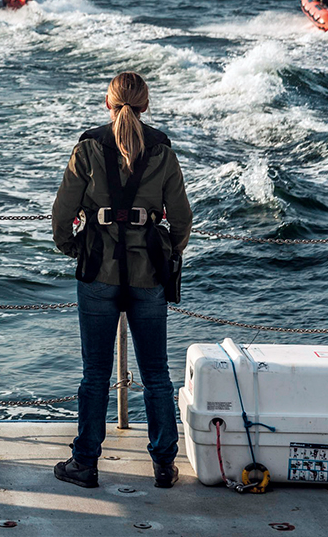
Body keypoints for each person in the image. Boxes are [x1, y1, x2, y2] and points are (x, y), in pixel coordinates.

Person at [50, 72, 191, 491]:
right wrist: (168, 251)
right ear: (145, 105)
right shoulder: (162, 150)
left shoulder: (88, 146)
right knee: (156, 375)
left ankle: (85, 463)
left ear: (108, 104)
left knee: (95, 373)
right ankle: (164, 464)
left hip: (98, 271)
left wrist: (75, 248)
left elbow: (62, 215)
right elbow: (181, 218)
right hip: (148, 273)